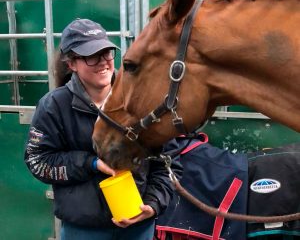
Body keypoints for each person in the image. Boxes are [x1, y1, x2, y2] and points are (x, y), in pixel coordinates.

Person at [24, 18, 182, 240]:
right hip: (83, 231)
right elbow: (37, 161)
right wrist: (91, 163)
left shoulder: (139, 100)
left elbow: (169, 161)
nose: (103, 62)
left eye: (107, 52)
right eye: (91, 56)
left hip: (138, 226)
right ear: (71, 64)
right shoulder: (54, 106)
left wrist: (153, 204)